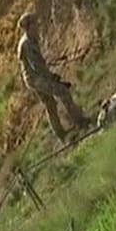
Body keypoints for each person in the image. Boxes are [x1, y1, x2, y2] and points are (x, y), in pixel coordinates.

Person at [17, 13, 88, 141]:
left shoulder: (30, 39)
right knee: (63, 92)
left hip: (32, 78)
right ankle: (79, 121)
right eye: (35, 23)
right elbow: (37, 67)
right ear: (29, 26)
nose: (37, 25)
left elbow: (38, 63)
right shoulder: (27, 43)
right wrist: (52, 77)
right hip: (35, 79)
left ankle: (61, 134)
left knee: (50, 104)